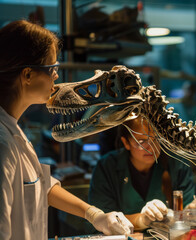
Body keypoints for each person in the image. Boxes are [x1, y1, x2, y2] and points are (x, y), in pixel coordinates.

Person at [0, 20, 133, 240]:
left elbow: (41, 187)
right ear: (27, 75)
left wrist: (94, 214)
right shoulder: (3, 145)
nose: (57, 77)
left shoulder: (15, 132)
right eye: (52, 69)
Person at [88, 116, 196, 230]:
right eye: (141, 141)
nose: (151, 148)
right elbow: (102, 220)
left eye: (156, 139)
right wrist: (142, 220)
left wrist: (193, 211)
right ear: (126, 142)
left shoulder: (177, 164)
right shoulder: (107, 167)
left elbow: (185, 210)